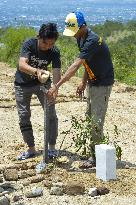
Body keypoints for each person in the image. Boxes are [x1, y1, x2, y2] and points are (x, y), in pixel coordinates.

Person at [48, 12, 114, 164]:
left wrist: (57, 85)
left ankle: (97, 158)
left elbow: (76, 65)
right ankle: (94, 153)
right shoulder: (81, 38)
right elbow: (87, 62)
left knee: (96, 122)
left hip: (102, 83)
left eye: (75, 31)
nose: (73, 35)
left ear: (83, 26)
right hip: (92, 81)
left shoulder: (92, 40)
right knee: (90, 118)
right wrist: (83, 82)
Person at [14, 23, 61, 160]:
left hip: (43, 84)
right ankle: (31, 149)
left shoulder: (54, 51)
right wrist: (37, 71)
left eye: (51, 44)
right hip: (22, 84)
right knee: (24, 116)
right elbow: (22, 65)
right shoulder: (29, 44)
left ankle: (51, 148)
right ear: (39, 37)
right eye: (45, 43)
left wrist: (55, 88)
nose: (47, 47)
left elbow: (56, 71)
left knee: (51, 114)